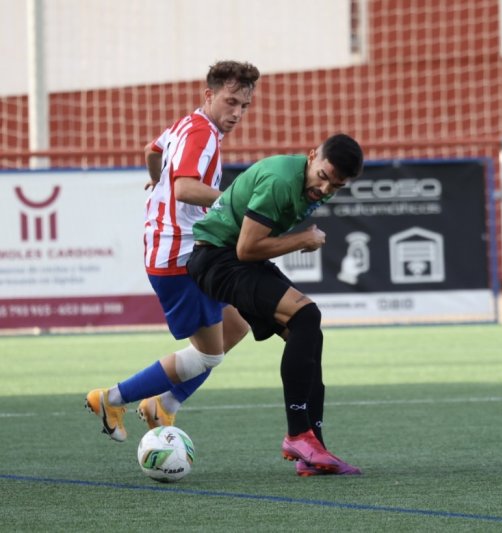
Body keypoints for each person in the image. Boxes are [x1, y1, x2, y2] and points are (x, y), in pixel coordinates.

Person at [85, 61, 260, 443]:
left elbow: (152, 150)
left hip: (178, 251)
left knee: (237, 327)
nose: (236, 113)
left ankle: (163, 405)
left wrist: (154, 176)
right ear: (209, 95)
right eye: (230, 102)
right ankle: (111, 398)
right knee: (209, 355)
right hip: (180, 258)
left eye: (244, 106)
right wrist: (235, 201)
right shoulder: (203, 134)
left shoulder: (186, 124)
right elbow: (184, 188)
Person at [186, 133, 364, 476]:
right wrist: (303, 239)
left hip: (231, 259)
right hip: (217, 259)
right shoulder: (282, 180)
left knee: (309, 333)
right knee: (307, 314)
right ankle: (298, 434)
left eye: (336, 186)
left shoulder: (313, 184)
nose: (325, 189)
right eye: (323, 177)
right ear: (312, 156)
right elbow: (246, 248)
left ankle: (314, 452)